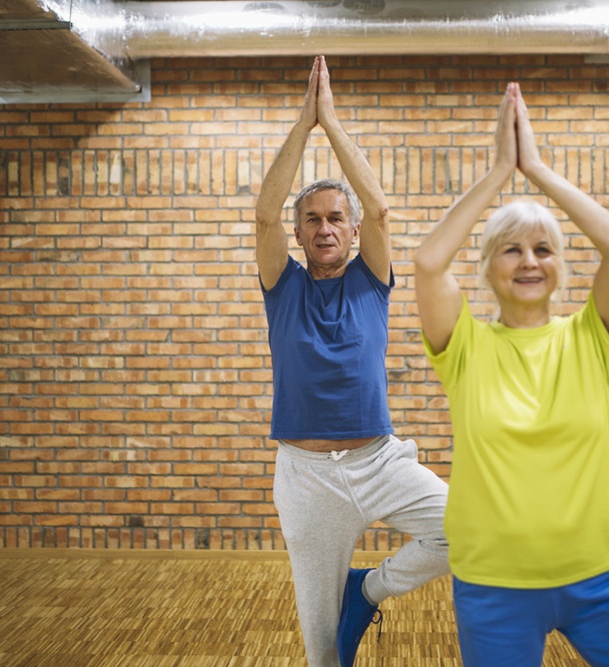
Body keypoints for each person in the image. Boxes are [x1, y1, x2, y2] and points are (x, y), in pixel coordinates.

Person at [413, 82, 609, 666]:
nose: (529, 262)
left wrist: (536, 169)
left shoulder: (591, 339)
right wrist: (499, 172)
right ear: (488, 268)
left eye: (544, 249)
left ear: (562, 267)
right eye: (511, 250)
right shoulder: (464, 345)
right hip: (493, 586)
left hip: (599, 580)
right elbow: (427, 261)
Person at [255, 56, 450, 667]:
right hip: (307, 479)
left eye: (336, 217)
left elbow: (382, 210)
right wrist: (302, 122)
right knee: (321, 649)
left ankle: (367, 589)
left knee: (469, 532)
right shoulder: (282, 285)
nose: (325, 227)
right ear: (299, 232)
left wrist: (331, 123)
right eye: (311, 220)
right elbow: (264, 213)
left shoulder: (371, 280)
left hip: (379, 460)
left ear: (353, 228)